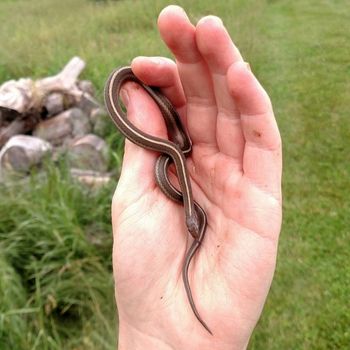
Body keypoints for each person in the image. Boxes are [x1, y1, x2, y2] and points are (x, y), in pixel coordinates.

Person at [111, 5, 282, 349]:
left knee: (178, 148)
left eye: (193, 225)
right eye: (194, 226)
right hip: (179, 152)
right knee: (176, 146)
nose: (193, 231)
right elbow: (178, 153)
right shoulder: (177, 160)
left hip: (180, 153)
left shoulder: (178, 164)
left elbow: (179, 154)